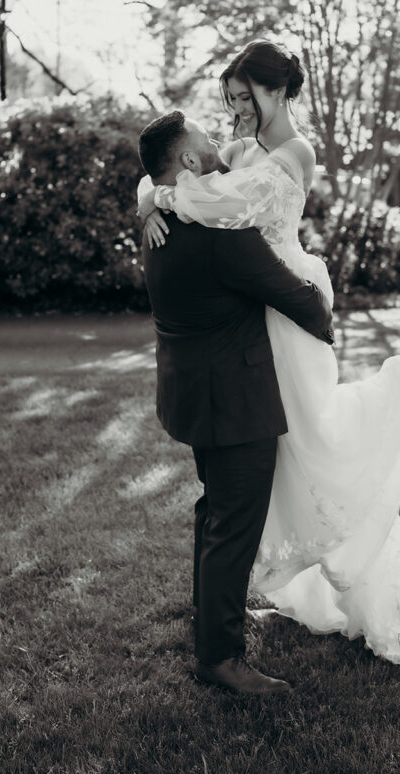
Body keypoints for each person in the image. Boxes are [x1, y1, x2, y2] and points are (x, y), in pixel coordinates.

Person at [137, 40, 400, 673]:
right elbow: (170, 169)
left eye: (244, 97)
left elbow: (226, 204)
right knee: (274, 471)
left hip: (285, 307)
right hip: (247, 312)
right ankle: (243, 608)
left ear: (277, 92)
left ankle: (392, 393)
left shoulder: (294, 153)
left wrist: (163, 199)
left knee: (316, 444)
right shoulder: (232, 150)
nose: (234, 111)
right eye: (228, 100)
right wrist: (148, 197)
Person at [137, 110, 335, 694]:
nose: (218, 139)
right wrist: (321, 307)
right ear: (192, 162)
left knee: (214, 513)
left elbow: (150, 186)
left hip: (193, 392)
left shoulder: (160, 216)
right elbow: (294, 296)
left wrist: (148, 199)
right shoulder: (222, 235)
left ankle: (214, 620)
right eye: (207, 137)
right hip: (234, 399)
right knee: (232, 525)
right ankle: (220, 659)